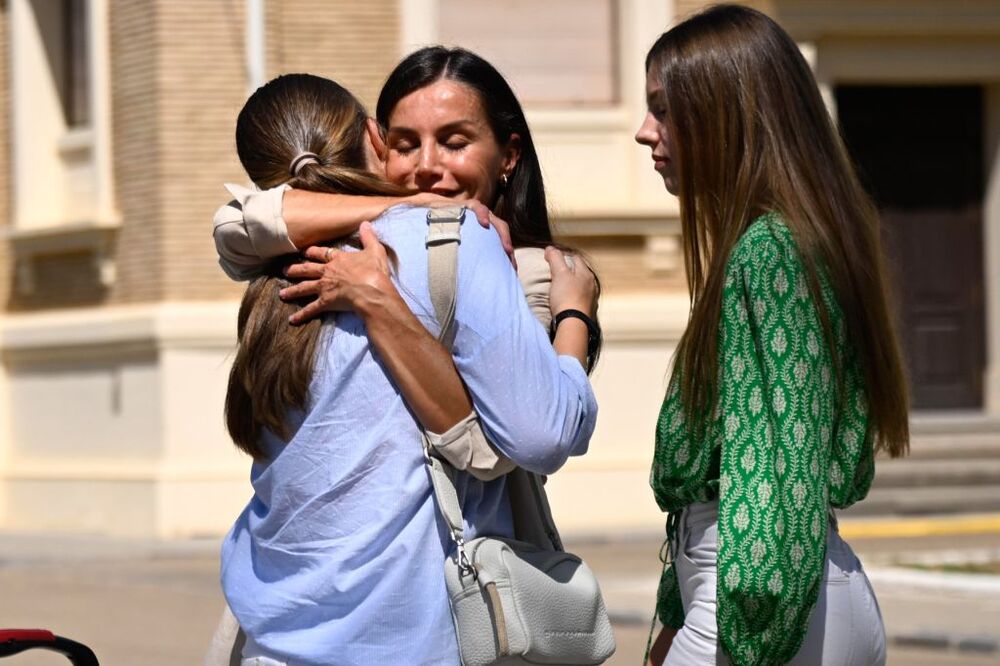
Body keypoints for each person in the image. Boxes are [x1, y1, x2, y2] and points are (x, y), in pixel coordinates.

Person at [220, 72, 599, 665]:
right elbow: (542, 434)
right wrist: (576, 315)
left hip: (275, 634)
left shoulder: (267, 269)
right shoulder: (455, 240)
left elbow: (238, 221)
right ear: (375, 138)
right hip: (411, 636)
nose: (428, 168)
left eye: (454, 141)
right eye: (406, 143)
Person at [635, 6, 909, 665]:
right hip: (798, 594)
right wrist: (673, 618)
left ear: (726, 112)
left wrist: (739, 637)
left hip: (759, 607)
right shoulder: (802, 239)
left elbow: (776, 474)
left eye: (664, 110)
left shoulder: (768, 253)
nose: (645, 134)